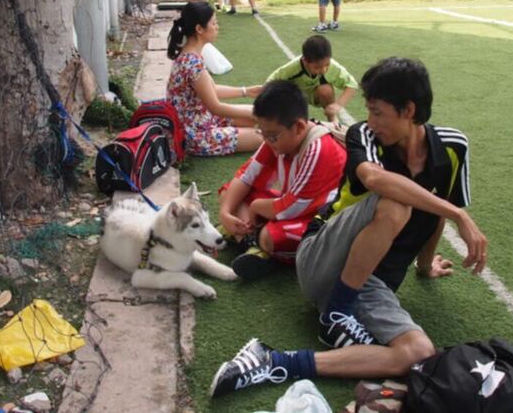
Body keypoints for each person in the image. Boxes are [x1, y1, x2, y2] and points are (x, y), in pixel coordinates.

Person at [209, 57, 489, 398]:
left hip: (372, 281)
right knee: (396, 200)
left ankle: (273, 360)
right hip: (321, 259)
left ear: (409, 110)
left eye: (377, 112)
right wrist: (460, 215)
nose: (368, 120)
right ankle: (337, 313)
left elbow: (437, 213)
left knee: (417, 353)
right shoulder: (363, 136)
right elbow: (376, 180)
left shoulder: (452, 145)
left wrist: (426, 264)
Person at [219, 80, 347, 280]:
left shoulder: (319, 149)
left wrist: (254, 207)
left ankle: (252, 241)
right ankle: (252, 243)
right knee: (230, 194)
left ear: (299, 127)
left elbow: (292, 207)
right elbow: (246, 175)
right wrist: (225, 213)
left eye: (272, 136)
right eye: (262, 132)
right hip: (292, 204)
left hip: (319, 217)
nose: (267, 141)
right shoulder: (276, 139)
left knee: (272, 236)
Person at [166, 2, 262, 156]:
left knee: (266, 119)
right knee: (267, 135)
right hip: (195, 134)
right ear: (199, 29)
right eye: (214, 23)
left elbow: (212, 90)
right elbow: (215, 107)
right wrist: (254, 115)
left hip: (201, 121)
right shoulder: (192, 62)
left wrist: (246, 91)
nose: (217, 27)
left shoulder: (189, 55)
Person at [267, 35, 358, 123]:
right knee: (280, 93)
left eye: (327, 64)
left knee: (326, 90)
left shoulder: (333, 67)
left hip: (314, 95)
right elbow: (272, 80)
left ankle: (332, 119)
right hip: (295, 96)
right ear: (305, 62)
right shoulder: (293, 67)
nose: (323, 70)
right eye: (317, 67)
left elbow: (352, 84)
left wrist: (338, 105)